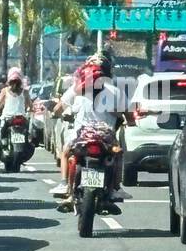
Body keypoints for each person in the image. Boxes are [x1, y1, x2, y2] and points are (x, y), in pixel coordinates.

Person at [51, 53, 129, 210]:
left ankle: (65, 184)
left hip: (81, 135)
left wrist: (55, 114)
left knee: (66, 151)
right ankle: (115, 188)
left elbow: (58, 108)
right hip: (106, 137)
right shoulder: (115, 91)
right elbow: (128, 114)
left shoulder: (77, 89)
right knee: (118, 153)